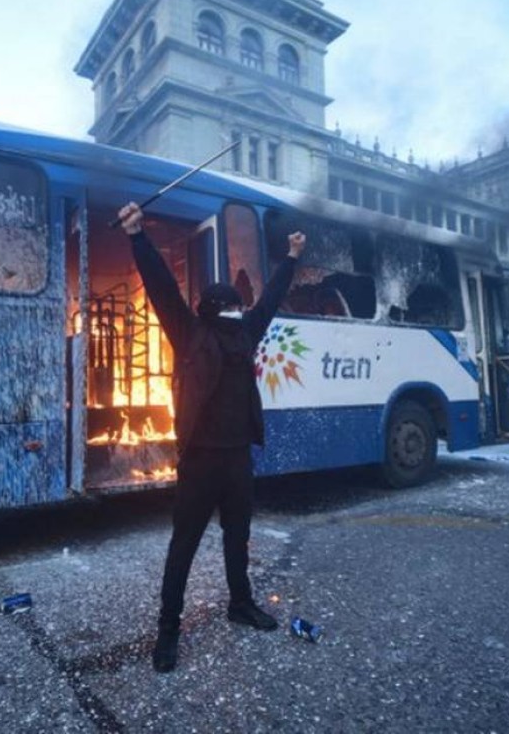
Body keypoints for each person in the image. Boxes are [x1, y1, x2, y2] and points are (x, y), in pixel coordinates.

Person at [118, 201, 304, 673]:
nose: (240, 313)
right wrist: (138, 236)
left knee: (237, 537)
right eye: (233, 307)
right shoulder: (190, 333)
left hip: (237, 458)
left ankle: (240, 605)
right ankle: (168, 631)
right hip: (200, 460)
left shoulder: (246, 334)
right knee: (183, 545)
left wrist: (293, 259)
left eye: (240, 309)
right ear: (214, 309)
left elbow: (270, 300)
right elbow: (161, 289)